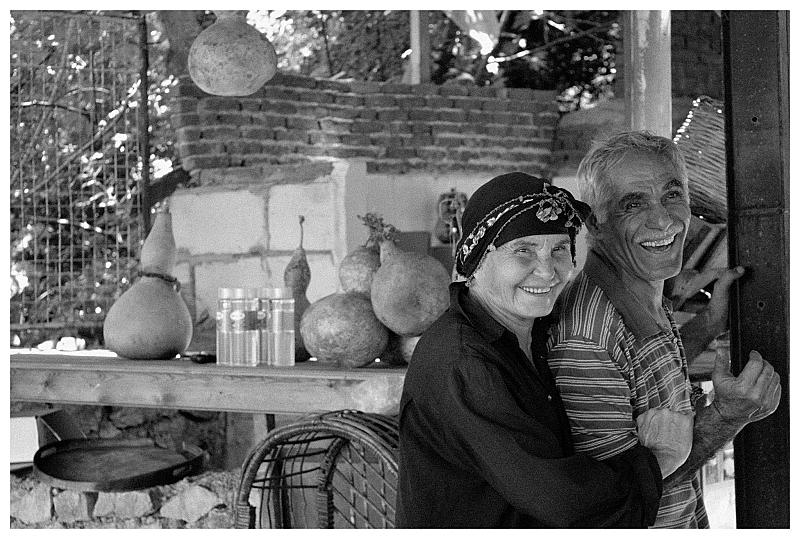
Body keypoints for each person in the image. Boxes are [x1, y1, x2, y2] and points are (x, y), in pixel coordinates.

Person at [396, 172, 692, 528]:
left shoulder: (533, 332)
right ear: (476, 259)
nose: (548, 271)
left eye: (559, 249)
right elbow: (560, 499)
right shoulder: (465, 362)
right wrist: (660, 458)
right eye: (524, 251)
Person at [547, 131, 782, 528]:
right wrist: (727, 416)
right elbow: (619, 498)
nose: (663, 220)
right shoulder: (584, 339)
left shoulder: (643, 291)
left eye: (672, 194)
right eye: (633, 204)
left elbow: (641, 375)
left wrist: (710, 323)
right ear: (594, 223)